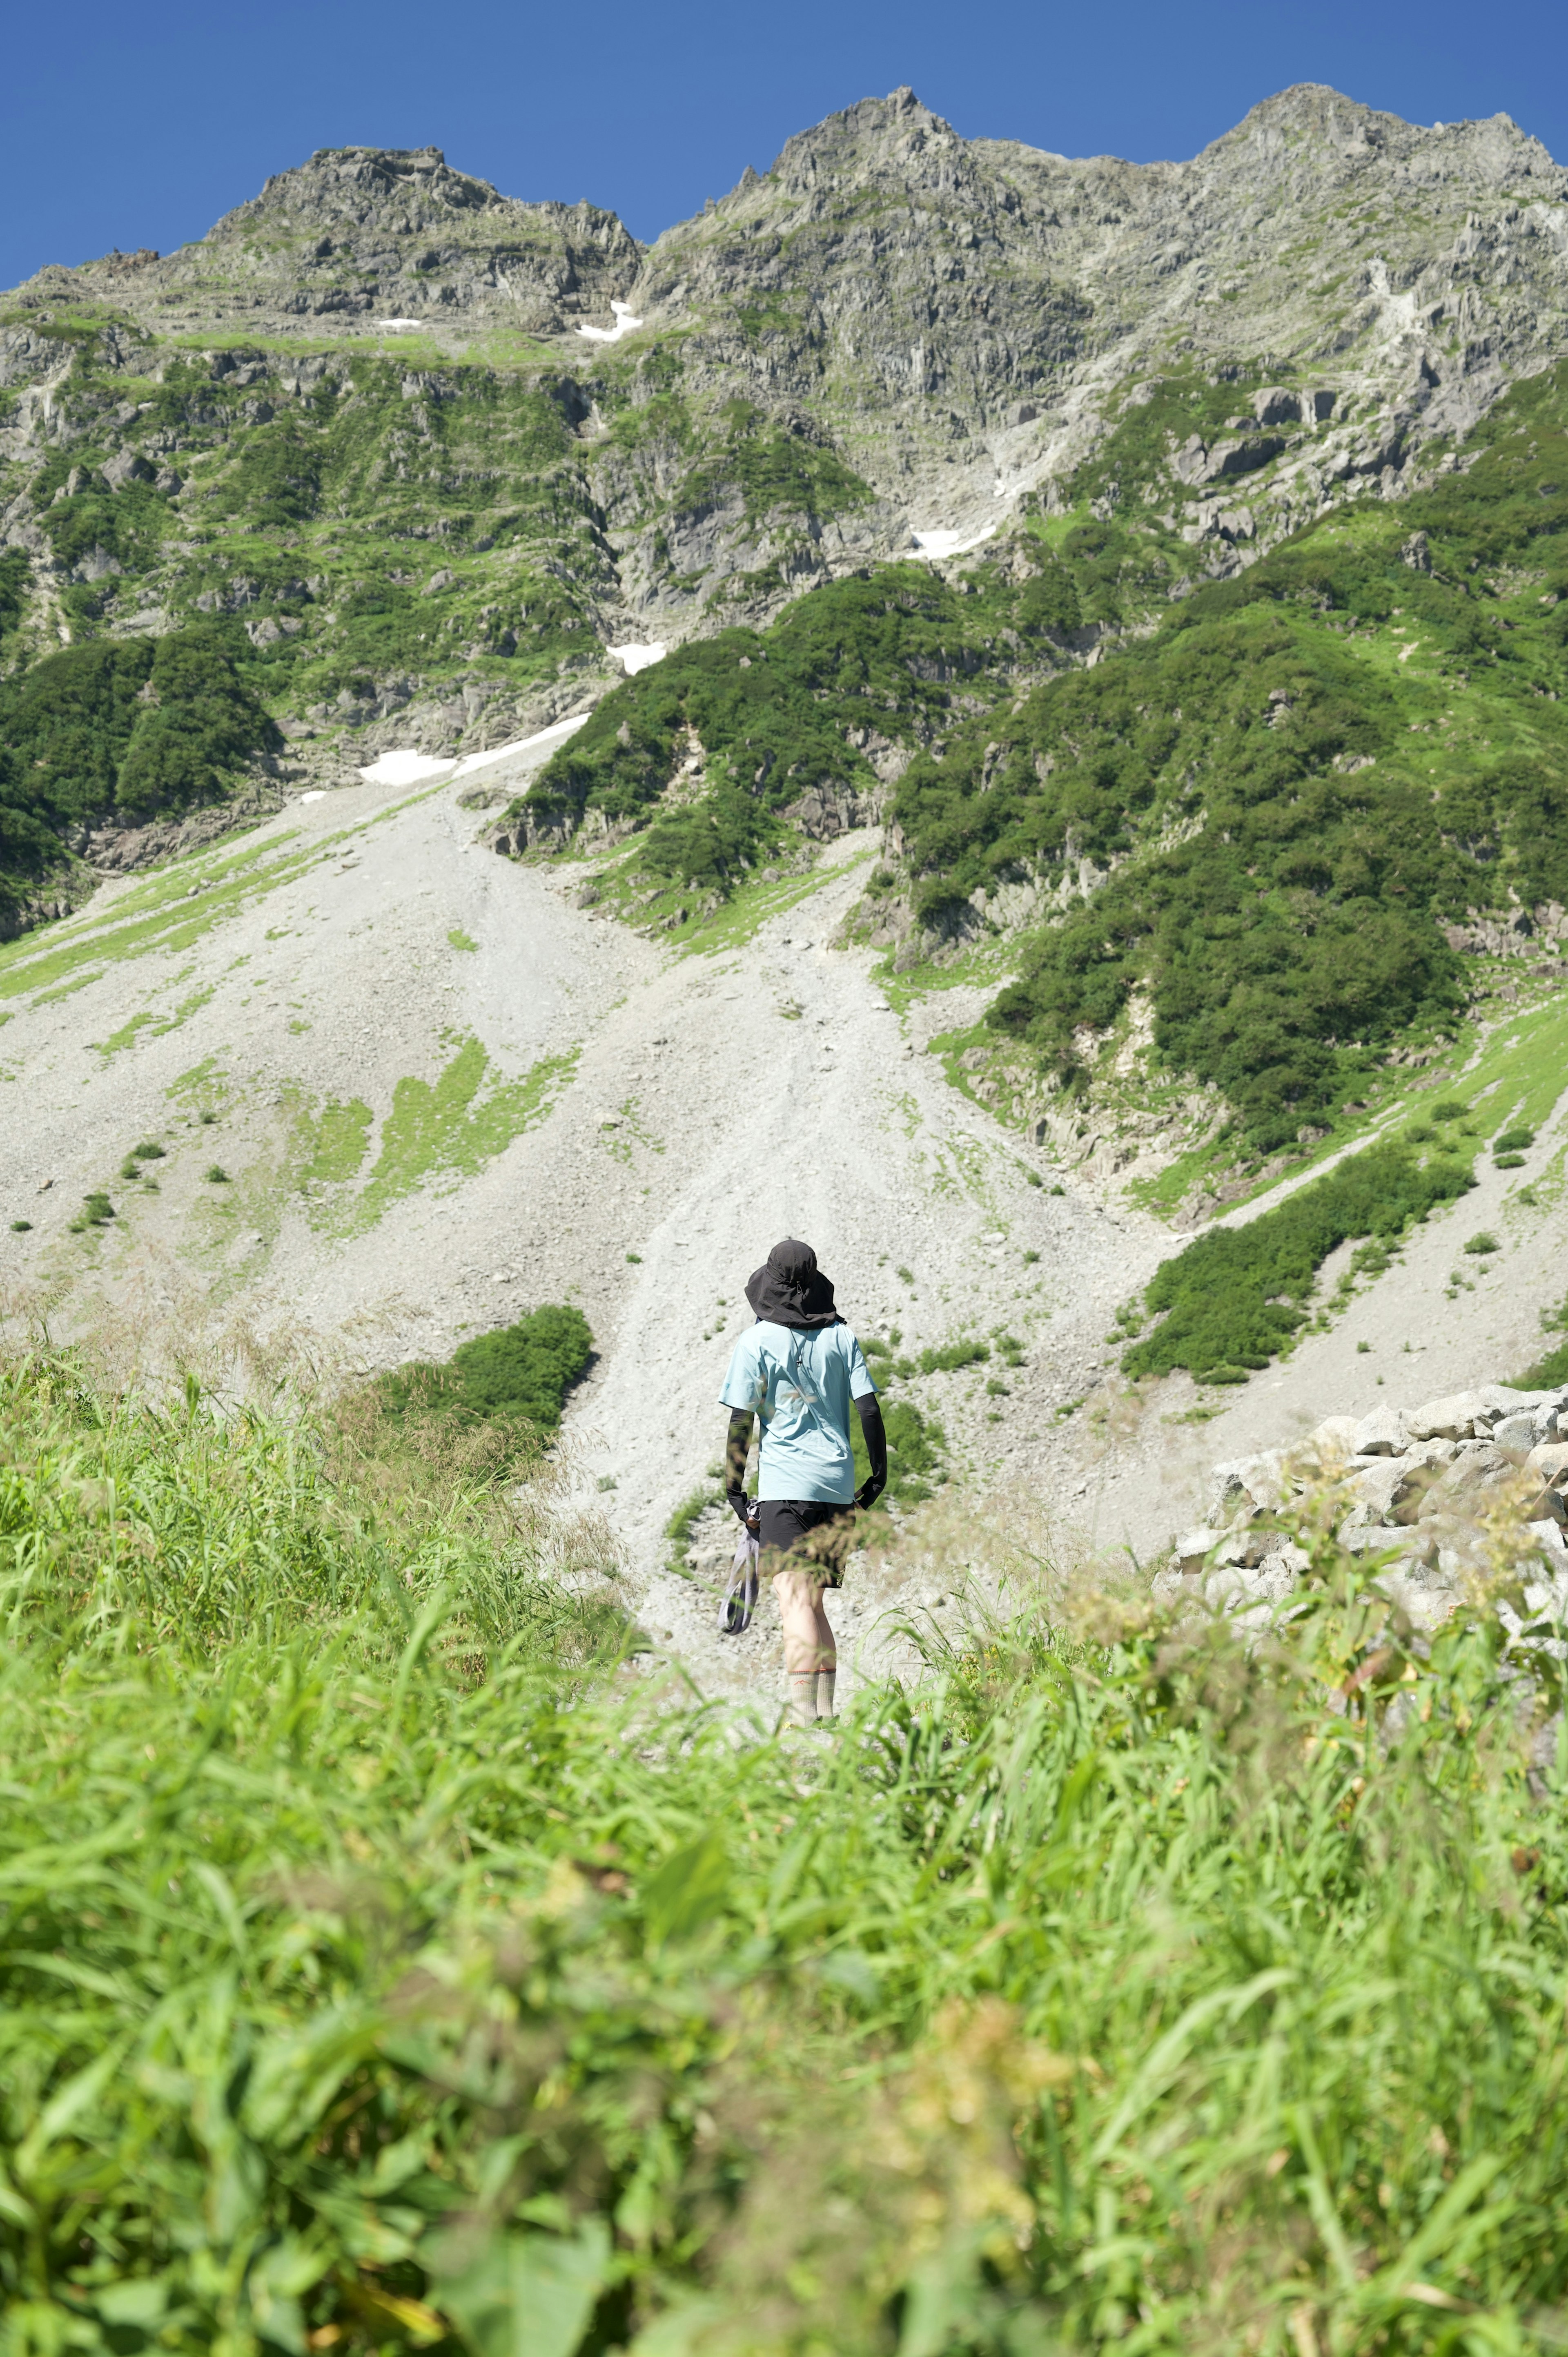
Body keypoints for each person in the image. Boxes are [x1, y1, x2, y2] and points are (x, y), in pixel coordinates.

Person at [719, 1238, 887, 1727]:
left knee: (792, 1598)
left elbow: (740, 1421)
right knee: (812, 1600)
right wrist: (878, 1475)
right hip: (836, 1487)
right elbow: (869, 1409)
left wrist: (734, 1489)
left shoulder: (756, 1342)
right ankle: (827, 1711)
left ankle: (800, 1716)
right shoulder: (842, 1337)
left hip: (786, 1486)